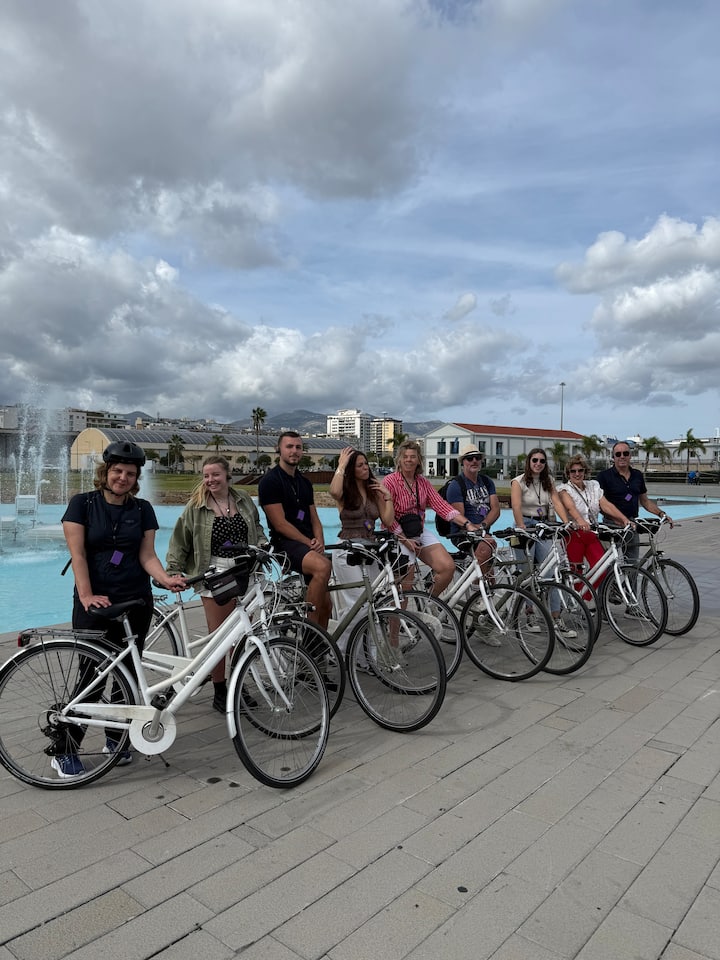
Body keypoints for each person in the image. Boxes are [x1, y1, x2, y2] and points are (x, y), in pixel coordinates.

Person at [60, 441, 185, 778]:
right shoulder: (82, 504)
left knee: (128, 674)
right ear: (106, 472)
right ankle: (65, 747)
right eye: (117, 471)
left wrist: (164, 578)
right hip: (95, 602)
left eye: (130, 473)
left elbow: (147, 555)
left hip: (135, 600)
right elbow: (79, 555)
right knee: (92, 675)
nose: (123, 477)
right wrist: (86, 595)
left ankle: (117, 740)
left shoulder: (142, 508)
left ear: (136, 477)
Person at [166, 455, 268, 713]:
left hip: (245, 571)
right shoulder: (197, 506)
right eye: (206, 475)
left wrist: (264, 546)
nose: (210, 480)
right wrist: (173, 570)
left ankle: (238, 684)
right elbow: (180, 539)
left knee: (242, 635)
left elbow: (255, 526)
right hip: (215, 574)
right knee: (220, 638)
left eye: (215, 475)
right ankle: (220, 690)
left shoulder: (243, 499)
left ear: (227, 475)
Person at [383, 440, 478, 597]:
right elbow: (387, 518)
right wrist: (405, 540)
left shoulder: (423, 482)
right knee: (405, 584)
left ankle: (429, 602)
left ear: (419, 459)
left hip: (417, 530)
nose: (408, 460)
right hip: (396, 534)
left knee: (447, 567)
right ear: (399, 459)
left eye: (413, 456)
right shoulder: (390, 481)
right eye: (405, 456)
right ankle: (398, 621)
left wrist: (467, 524)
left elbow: (442, 507)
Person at [258, 431, 332, 629]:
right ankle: (309, 630)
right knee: (323, 567)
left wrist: (319, 542)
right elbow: (280, 524)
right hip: (285, 543)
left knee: (327, 606)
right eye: (289, 446)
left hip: (307, 543)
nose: (294, 451)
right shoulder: (269, 482)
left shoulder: (304, 482)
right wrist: (309, 543)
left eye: (298, 447)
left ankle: (319, 652)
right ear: (279, 450)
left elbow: (314, 518)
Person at [328, 446, 395, 649]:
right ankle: (342, 649)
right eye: (360, 465)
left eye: (366, 464)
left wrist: (388, 496)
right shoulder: (345, 493)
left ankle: (367, 655)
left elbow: (388, 520)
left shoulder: (373, 491)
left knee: (373, 604)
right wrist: (341, 465)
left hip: (369, 550)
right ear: (351, 469)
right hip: (348, 550)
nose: (365, 467)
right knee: (359, 604)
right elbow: (334, 491)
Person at [510, 448, 575, 636]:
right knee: (525, 574)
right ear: (529, 462)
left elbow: (556, 502)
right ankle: (529, 613)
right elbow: (515, 506)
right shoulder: (518, 482)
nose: (538, 464)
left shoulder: (549, 482)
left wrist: (565, 523)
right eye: (535, 460)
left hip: (543, 525)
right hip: (525, 525)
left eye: (542, 461)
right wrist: (521, 527)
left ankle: (555, 617)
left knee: (550, 572)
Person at [597, 441, 673, 562]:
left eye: (625, 453)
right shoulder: (604, 476)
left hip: (631, 525)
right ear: (613, 457)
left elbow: (645, 501)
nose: (622, 456)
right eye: (618, 454)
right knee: (610, 567)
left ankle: (630, 582)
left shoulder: (637, 475)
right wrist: (620, 520)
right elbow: (601, 505)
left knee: (632, 565)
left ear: (630, 456)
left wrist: (661, 514)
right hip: (611, 526)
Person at [557, 454, 632, 574]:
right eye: (573, 471)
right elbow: (570, 507)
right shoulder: (564, 489)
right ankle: (578, 593)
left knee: (601, 568)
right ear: (568, 474)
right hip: (574, 535)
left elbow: (606, 505)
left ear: (585, 471)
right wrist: (580, 520)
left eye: (580, 470)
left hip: (591, 533)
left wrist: (624, 519)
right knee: (576, 572)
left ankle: (587, 593)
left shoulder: (593, 486)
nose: (577, 474)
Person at [446, 445, 500, 575]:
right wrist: (474, 529)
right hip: (462, 534)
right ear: (463, 462)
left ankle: (485, 588)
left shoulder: (487, 481)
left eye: (477, 458)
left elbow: (496, 509)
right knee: (486, 548)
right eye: (469, 458)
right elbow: (459, 517)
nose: (474, 461)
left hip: (482, 533)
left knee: (489, 570)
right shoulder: (456, 485)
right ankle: (477, 585)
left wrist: (482, 526)